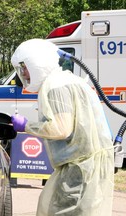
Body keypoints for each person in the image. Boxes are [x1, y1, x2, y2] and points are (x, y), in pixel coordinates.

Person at [11, 39, 114, 216]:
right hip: (86, 164)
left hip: (80, 167)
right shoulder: (67, 80)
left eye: (25, 67)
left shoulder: (55, 86)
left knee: (60, 211)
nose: (23, 74)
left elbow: (61, 128)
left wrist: (27, 126)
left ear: (37, 63)